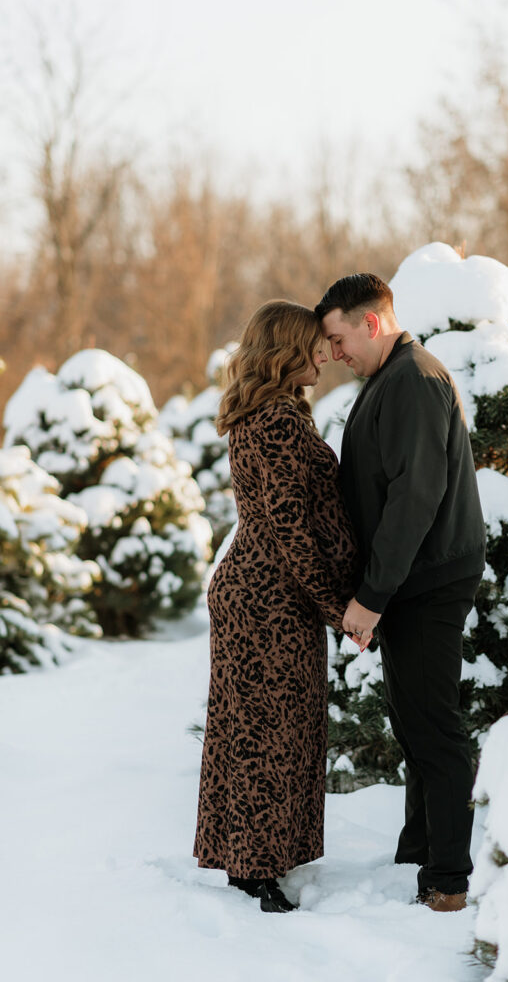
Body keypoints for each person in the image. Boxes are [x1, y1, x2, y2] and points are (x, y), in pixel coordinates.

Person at [315, 273, 486, 913]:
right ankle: (420, 848)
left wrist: (373, 594)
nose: (334, 354)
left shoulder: (413, 379)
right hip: (412, 577)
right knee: (413, 721)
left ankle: (447, 878)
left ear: (372, 321)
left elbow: (416, 497)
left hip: (428, 577)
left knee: (433, 725)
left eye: (337, 339)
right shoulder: (390, 378)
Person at [193, 300, 360, 913]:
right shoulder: (281, 422)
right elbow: (291, 524)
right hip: (270, 598)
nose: (325, 354)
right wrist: (333, 605)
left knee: (247, 726)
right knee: (272, 729)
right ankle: (260, 870)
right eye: (316, 345)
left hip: (255, 589)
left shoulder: (265, 413)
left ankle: (245, 858)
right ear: (289, 350)